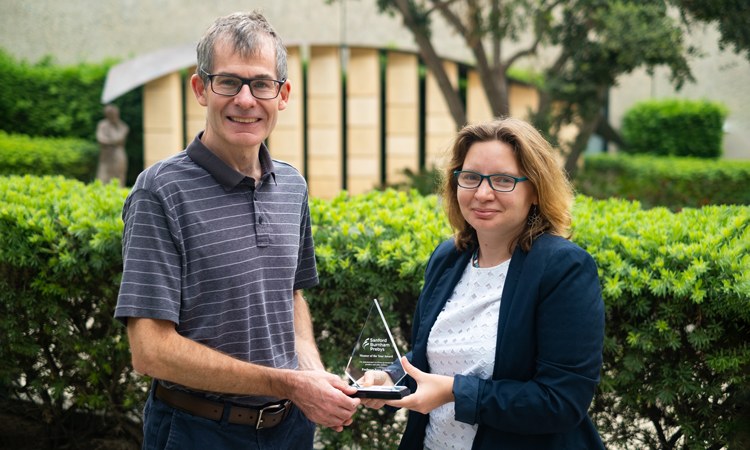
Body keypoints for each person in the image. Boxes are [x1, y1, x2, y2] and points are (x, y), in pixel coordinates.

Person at [114, 11, 359, 450]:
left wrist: (312, 376)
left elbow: (290, 295)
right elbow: (149, 350)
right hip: (197, 431)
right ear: (200, 89)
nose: (246, 100)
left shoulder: (293, 186)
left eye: (261, 84)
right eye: (228, 82)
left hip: (291, 429)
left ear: (282, 95)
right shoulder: (160, 191)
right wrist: (289, 384)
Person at [361, 117, 605, 449]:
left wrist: (452, 392)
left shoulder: (562, 268)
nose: (483, 193)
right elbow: (440, 354)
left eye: (503, 180)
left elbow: (561, 400)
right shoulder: (449, 257)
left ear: (535, 190)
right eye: (471, 178)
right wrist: (391, 376)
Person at [96, 103, 129, 186]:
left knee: (119, 175)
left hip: (118, 153)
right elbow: (100, 139)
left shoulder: (122, 126)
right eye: (110, 114)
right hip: (106, 155)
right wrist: (113, 141)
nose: (112, 116)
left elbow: (119, 138)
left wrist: (109, 141)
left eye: (113, 113)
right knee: (103, 176)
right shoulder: (102, 124)